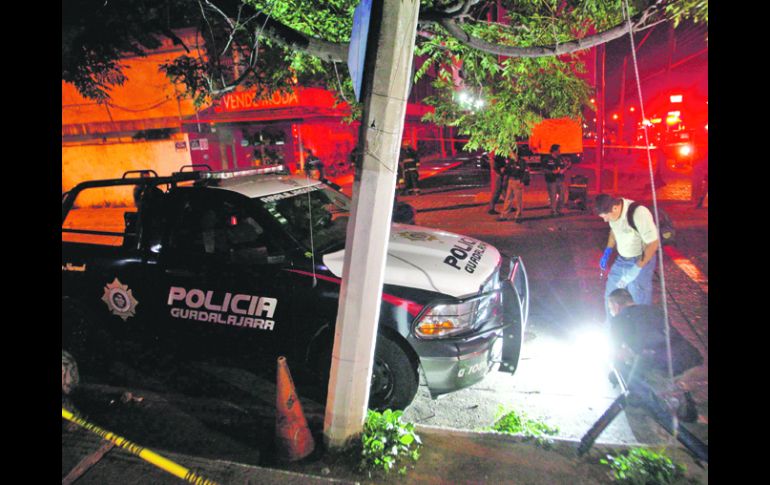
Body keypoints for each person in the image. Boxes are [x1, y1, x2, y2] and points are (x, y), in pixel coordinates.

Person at [607, 288, 702, 422]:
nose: (611, 311)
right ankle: (681, 388)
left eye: (610, 307)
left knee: (634, 385)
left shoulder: (619, 319)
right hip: (688, 356)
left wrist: (615, 372)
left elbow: (617, 352)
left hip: (660, 362)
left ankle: (673, 402)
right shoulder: (653, 310)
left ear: (616, 306)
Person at [595, 194, 659, 318]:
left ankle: (640, 332)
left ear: (614, 208)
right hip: (622, 259)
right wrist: (607, 251)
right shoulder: (612, 215)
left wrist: (636, 269)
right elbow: (613, 232)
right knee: (611, 296)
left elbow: (653, 243)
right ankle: (612, 329)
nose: (605, 220)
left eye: (606, 216)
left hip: (641, 260)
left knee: (638, 299)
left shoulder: (638, 213)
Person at [498, 152, 529, 223]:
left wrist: (523, 182)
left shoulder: (522, 162)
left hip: (518, 181)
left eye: (511, 153)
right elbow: (507, 170)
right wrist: (504, 170)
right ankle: (504, 215)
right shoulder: (510, 162)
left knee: (518, 199)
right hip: (511, 180)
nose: (509, 155)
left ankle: (519, 216)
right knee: (508, 198)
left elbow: (525, 172)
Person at [542, 144, 571, 216]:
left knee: (562, 195)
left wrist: (565, 168)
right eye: (558, 150)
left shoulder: (560, 158)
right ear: (554, 151)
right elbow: (543, 169)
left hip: (560, 179)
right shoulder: (547, 159)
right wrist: (552, 172)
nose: (559, 151)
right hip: (551, 180)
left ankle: (559, 210)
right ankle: (553, 211)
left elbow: (563, 166)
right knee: (553, 196)